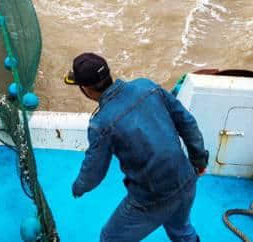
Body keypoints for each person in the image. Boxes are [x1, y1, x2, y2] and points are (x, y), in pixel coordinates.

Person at [64, 52, 208, 242]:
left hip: (152, 198)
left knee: (110, 238)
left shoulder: (101, 124)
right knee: (181, 230)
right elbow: (187, 123)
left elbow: (94, 172)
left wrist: (78, 187)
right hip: (187, 179)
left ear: (86, 89)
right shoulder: (147, 86)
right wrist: (198, 162)